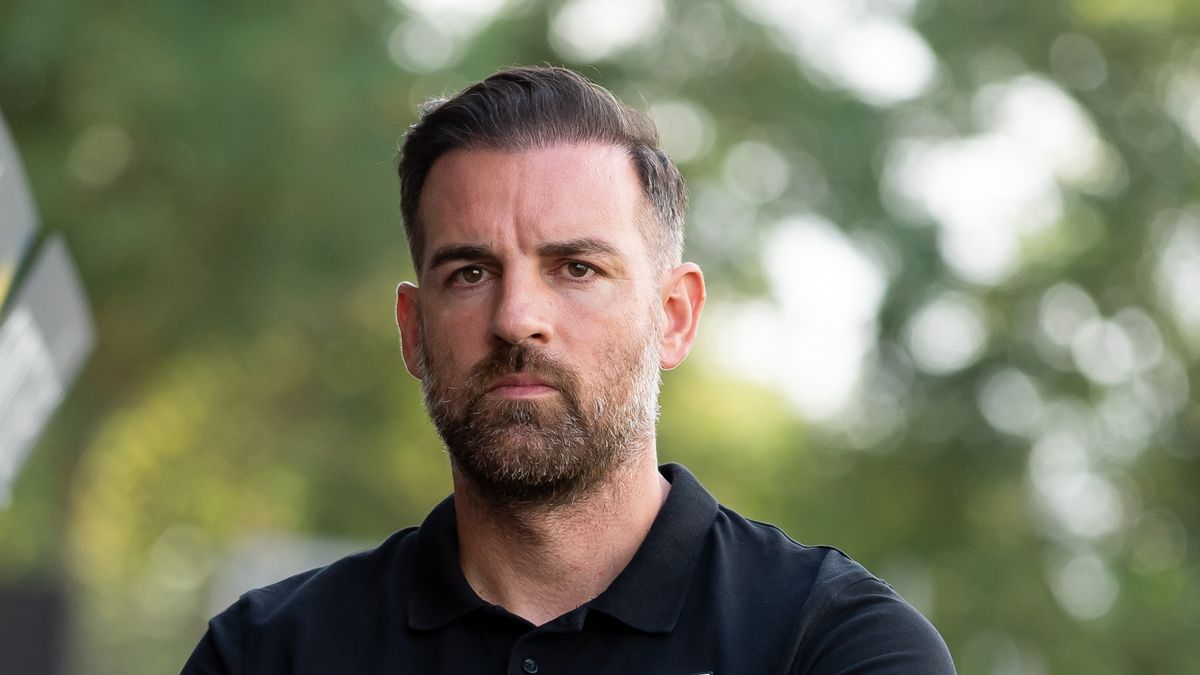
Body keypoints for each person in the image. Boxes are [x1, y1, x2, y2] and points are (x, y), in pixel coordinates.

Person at [182, 66, 956, 674]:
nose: (517, 317)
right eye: (471, 273)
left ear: (674, 316)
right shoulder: (267, 653)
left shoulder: (832, 647)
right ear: (413, 331)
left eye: (577, 268)